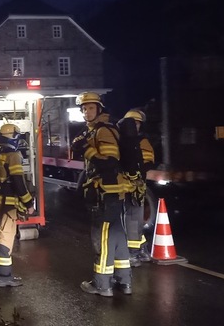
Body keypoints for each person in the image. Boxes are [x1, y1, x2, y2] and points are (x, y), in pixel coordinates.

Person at [72, 92, 134, 297]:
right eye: (83, 108)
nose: (86, 111)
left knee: (103, 238)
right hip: (112, 192)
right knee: (117, 236)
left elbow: (109, 162)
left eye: (90, 107)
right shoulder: (96, 130)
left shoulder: (103, 131)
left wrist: (85, 150)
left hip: (106, 192)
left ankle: (102, 284)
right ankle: (124, 282)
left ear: (99, 109)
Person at [0, 123, 35, 288]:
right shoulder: (13, 155)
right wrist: (28, 202)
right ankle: (4, 277)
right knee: (5, 240)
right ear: (14, 137)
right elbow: (18, 182)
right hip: (7, 206)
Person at [117, 109, 156, 267]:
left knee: (132, 218)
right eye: (132, 123)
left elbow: (147, 162)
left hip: (135, 186)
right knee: (133, 218)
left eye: (137, 124)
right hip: (128, 186)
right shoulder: (123, 140)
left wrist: (135, 173)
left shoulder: (141, 141)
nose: (134, 126)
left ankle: (133, 253)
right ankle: (141, 249)